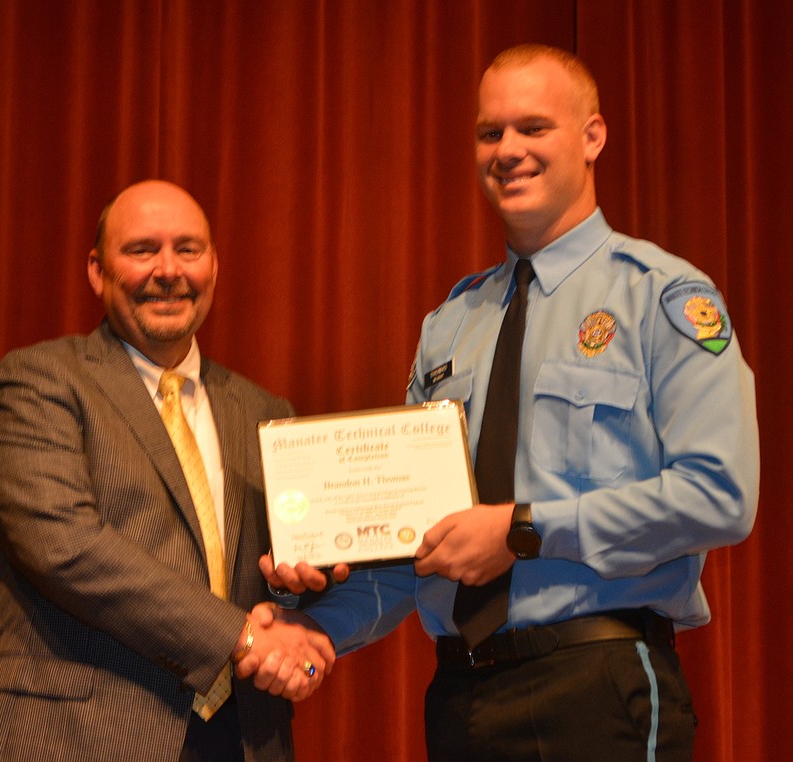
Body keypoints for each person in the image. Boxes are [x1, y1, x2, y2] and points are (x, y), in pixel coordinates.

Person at [260, 44, 759, 760]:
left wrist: (524, 531)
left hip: (599, 686)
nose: (508, 151)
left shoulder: (662, 295)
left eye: (533, 128)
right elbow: (421, 543)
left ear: (593, 137)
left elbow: (719, 496)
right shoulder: (451, 325)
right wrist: (314, 625)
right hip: (463, 698)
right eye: (490, 133)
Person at [0, 180, 335, 762]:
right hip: (75, 737)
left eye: (188, 249)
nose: (168, 270)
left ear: (214, 266)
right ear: (97, 270)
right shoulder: (39, 382)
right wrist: (239, 636)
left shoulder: (266, 414)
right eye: (141, 250)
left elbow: (284, 581)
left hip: (240, 739)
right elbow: (65, 547)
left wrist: (304, 618)